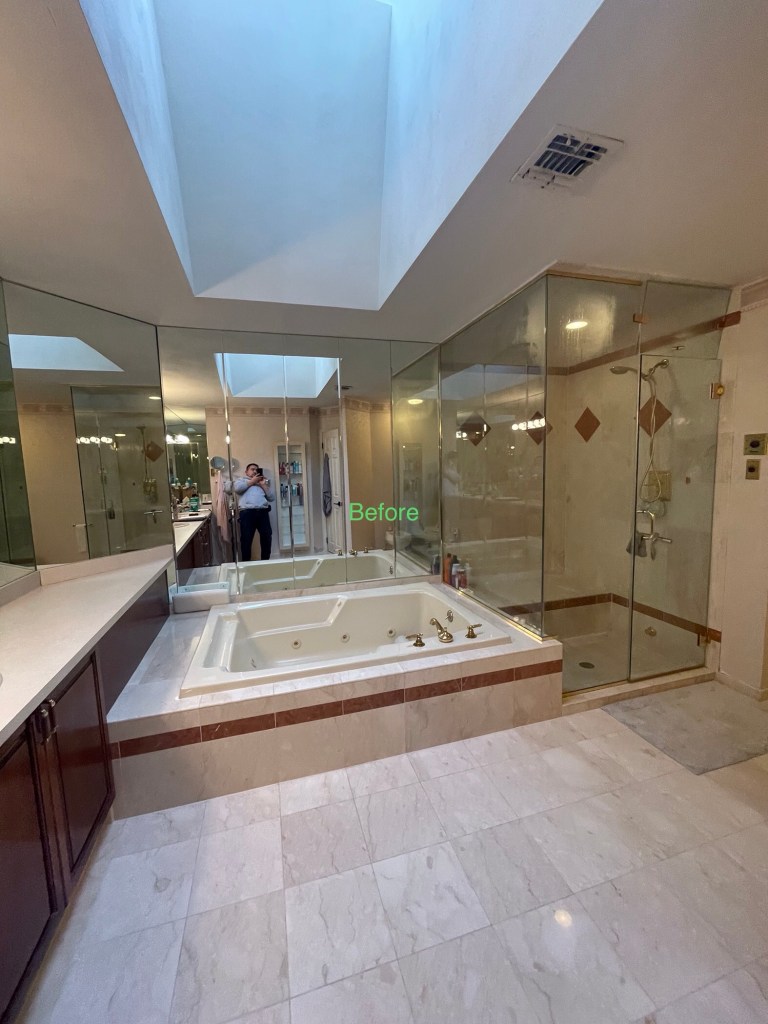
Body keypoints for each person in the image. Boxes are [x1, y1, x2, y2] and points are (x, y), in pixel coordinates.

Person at [233, 463, 275, 561]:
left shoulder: (262, 482)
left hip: (263, 512)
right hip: (247, 513)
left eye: (256, 469)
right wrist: (252, 481)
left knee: (267, 537)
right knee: (246, 539)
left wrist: (263, 485)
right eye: (252, 469)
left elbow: (271, 498)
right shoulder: (241, 480)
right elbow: (237, 489)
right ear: (246, 472)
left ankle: (265, 562)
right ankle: (246, 564)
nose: (255, 471)